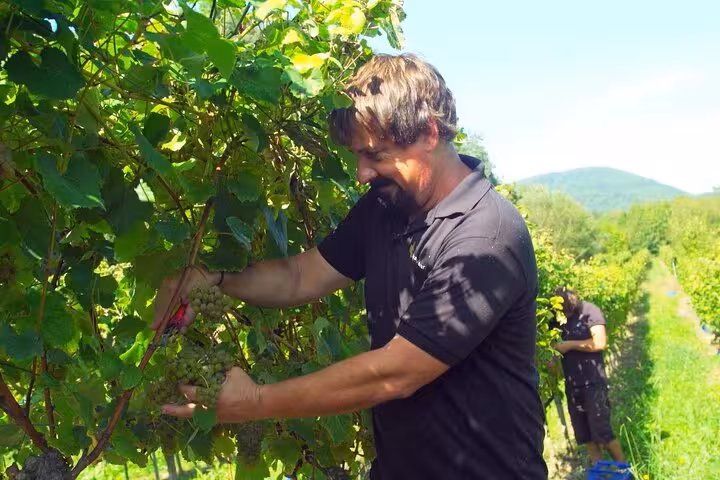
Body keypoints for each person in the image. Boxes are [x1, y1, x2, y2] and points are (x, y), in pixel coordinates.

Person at [153, 53, 548, 479]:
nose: (362, 173)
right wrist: (214, 279)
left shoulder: (484, 238)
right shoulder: (385, 208)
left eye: (375, 155)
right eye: (357, 156)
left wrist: (255, 402)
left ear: (429, 133)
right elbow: (300, 277)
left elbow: (397, 372)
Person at [551, 287, 626, 465]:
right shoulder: (555, 319)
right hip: (572, 386)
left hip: (593, 383)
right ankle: (600, 475)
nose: (564, 313)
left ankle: (625, 471)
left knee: (603, 434)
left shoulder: (589, 311)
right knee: (587, 439)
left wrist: (569, 345)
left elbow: (600, 342)